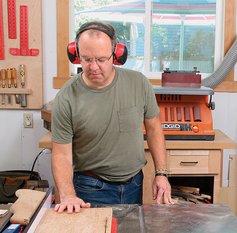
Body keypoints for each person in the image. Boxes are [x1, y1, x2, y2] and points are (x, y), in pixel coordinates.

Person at [51, 21, 173, 214]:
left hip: (134, 185)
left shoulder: (139, 83)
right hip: (90, 188)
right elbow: (60, 154)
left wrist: (161, 173)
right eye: (86, 59)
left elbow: (154, 128)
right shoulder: (66, 97)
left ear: (116, 54)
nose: (93, 67)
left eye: (101, 59)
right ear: (75, 55)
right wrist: (68, 194)